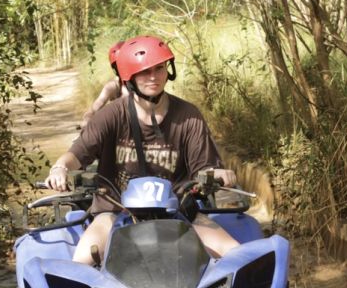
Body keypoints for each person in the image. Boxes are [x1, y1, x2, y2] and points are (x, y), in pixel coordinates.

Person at [46, 35, 239, 266]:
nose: (154, 77)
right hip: (115, 211)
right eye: (145, 71)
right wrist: (60, 168)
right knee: (82, 261)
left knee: (236, 255)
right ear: (130, 76)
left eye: (159, 68)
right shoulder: (111, 115)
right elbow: (77, 154)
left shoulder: (188, 116)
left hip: (178, 211)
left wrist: (218, 174)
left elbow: (205, 166)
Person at [81, 41, 130, 127]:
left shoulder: (144, 84)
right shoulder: (113, 86)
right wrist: (88, 116)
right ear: (115, 68)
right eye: (119, 65)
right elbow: (99, 102)